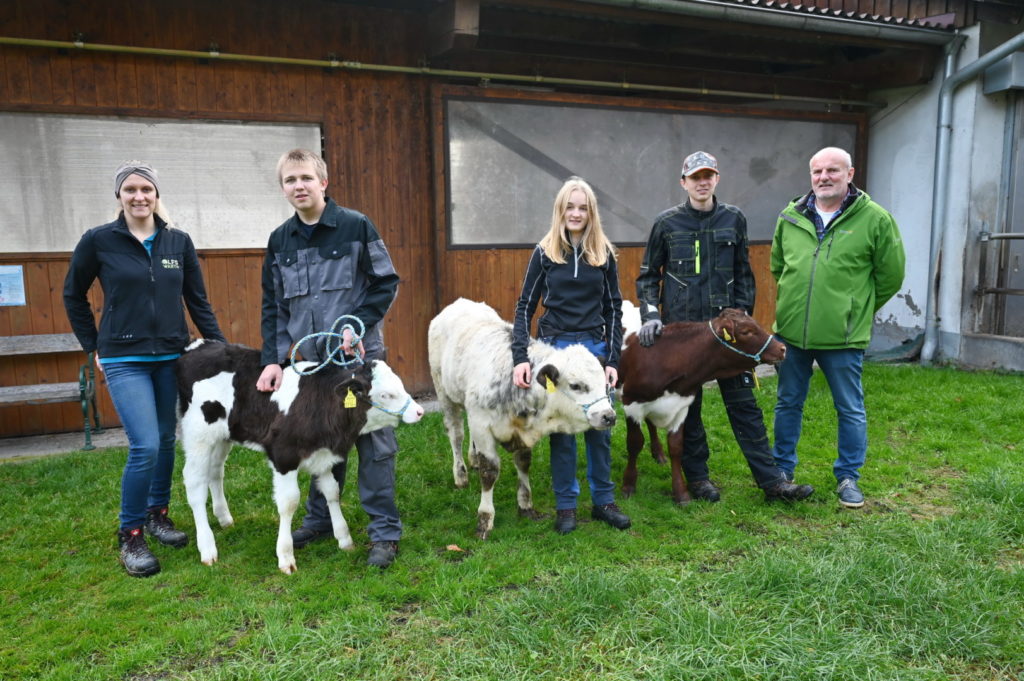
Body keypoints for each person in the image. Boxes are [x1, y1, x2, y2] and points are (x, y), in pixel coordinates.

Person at [64, 161, 226, 578]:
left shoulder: (177, 242)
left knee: (167, 440)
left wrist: (222, 348)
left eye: (146, 189)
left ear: (156, 194)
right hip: (124, 358)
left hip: (171, 357)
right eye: (130, 189)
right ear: (119, 195)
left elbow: (197, 300)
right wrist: (93, 345)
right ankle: (131, 533)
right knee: (146, 445)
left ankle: (158, 514)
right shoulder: (99, 240)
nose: (139, 196)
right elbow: (73, 294)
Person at [635, 151, 814, 503]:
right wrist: (652, 316)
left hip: (727, 337)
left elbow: (744, 274)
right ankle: (699, 479)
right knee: (689, 409)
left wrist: (743, 320)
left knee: (744, 405)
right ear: (683, 182)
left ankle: (773, 482)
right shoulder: (666, 224)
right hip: (686, 336)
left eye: (708, 176)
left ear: (716, 179)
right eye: (695, 177)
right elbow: (647, 277)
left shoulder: (734, 219)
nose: (702, 182)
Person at [256, 149, 402, 568]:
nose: (298, 186)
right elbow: (273, 305)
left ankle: (384, 532)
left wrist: (357, 324)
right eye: (290, 180)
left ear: (323, 182)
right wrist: (273, 360)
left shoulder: (356, 226)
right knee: (318, 440)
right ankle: (320, 519)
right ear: (283, 188)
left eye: (305, 177)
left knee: (373, 444)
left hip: (357, 360)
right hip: (311, 368)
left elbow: (385, 282)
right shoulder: (280, 240)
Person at [770, 146, 905, 508]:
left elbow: (891, 275)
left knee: (850, 408)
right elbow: (779, 267)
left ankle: (848, 477)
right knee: (787, 403)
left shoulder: (875, 219)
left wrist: (854, 310)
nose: (824, 177)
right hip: (792, 332)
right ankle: (781, 470)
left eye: (833, 170)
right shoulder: (790, 217)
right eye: (817, 171)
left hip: (843, 336)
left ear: (850, 174)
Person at [511, 176, 631, 535]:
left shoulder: (603, 253)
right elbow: (525, 306)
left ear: (591, 212)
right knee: (562, 431)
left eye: (583, 208)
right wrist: (521, 357)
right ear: (560, 210)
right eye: (570, 207)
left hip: (593, 350)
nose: (576, 213)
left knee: (600, 428)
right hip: (557, 351)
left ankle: (603, 501)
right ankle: (566, 506)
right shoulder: (544, 252)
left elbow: (613, 308)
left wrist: (613, 359)